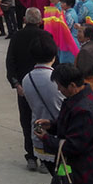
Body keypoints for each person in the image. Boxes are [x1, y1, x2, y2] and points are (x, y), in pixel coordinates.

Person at [34, 64, 93, 184]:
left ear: (72, 85)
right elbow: (71, 125)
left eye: (60, 86)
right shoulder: (82, 98)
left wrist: (45, 138)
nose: (58, 89)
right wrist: (52, 125)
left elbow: (73, 146)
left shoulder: (84, 110)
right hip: (85, 172)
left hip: (88, 175)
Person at [5, 7, 53, 171]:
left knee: (27, 121)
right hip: (44, 84)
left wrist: (16, 83)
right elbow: (55, 60)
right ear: (40, 21)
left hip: (24, 87)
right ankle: (44, 156)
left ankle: (31, 155)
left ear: (25, 20)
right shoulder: (46, 36)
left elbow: (10, 62)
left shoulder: (17, 36)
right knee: (43, 119)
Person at [21, 33, 63, 175]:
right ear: (54, 55)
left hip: (39, 134)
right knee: (64, 176)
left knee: (56, 176)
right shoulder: (57, 78)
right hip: (58, 135)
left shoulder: (27, 79)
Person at [75, 25, 93, 93]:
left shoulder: (85, 51)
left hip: (88, 84)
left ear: (88, 37)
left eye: (80, 32)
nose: (77, 34)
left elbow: (82, 71)